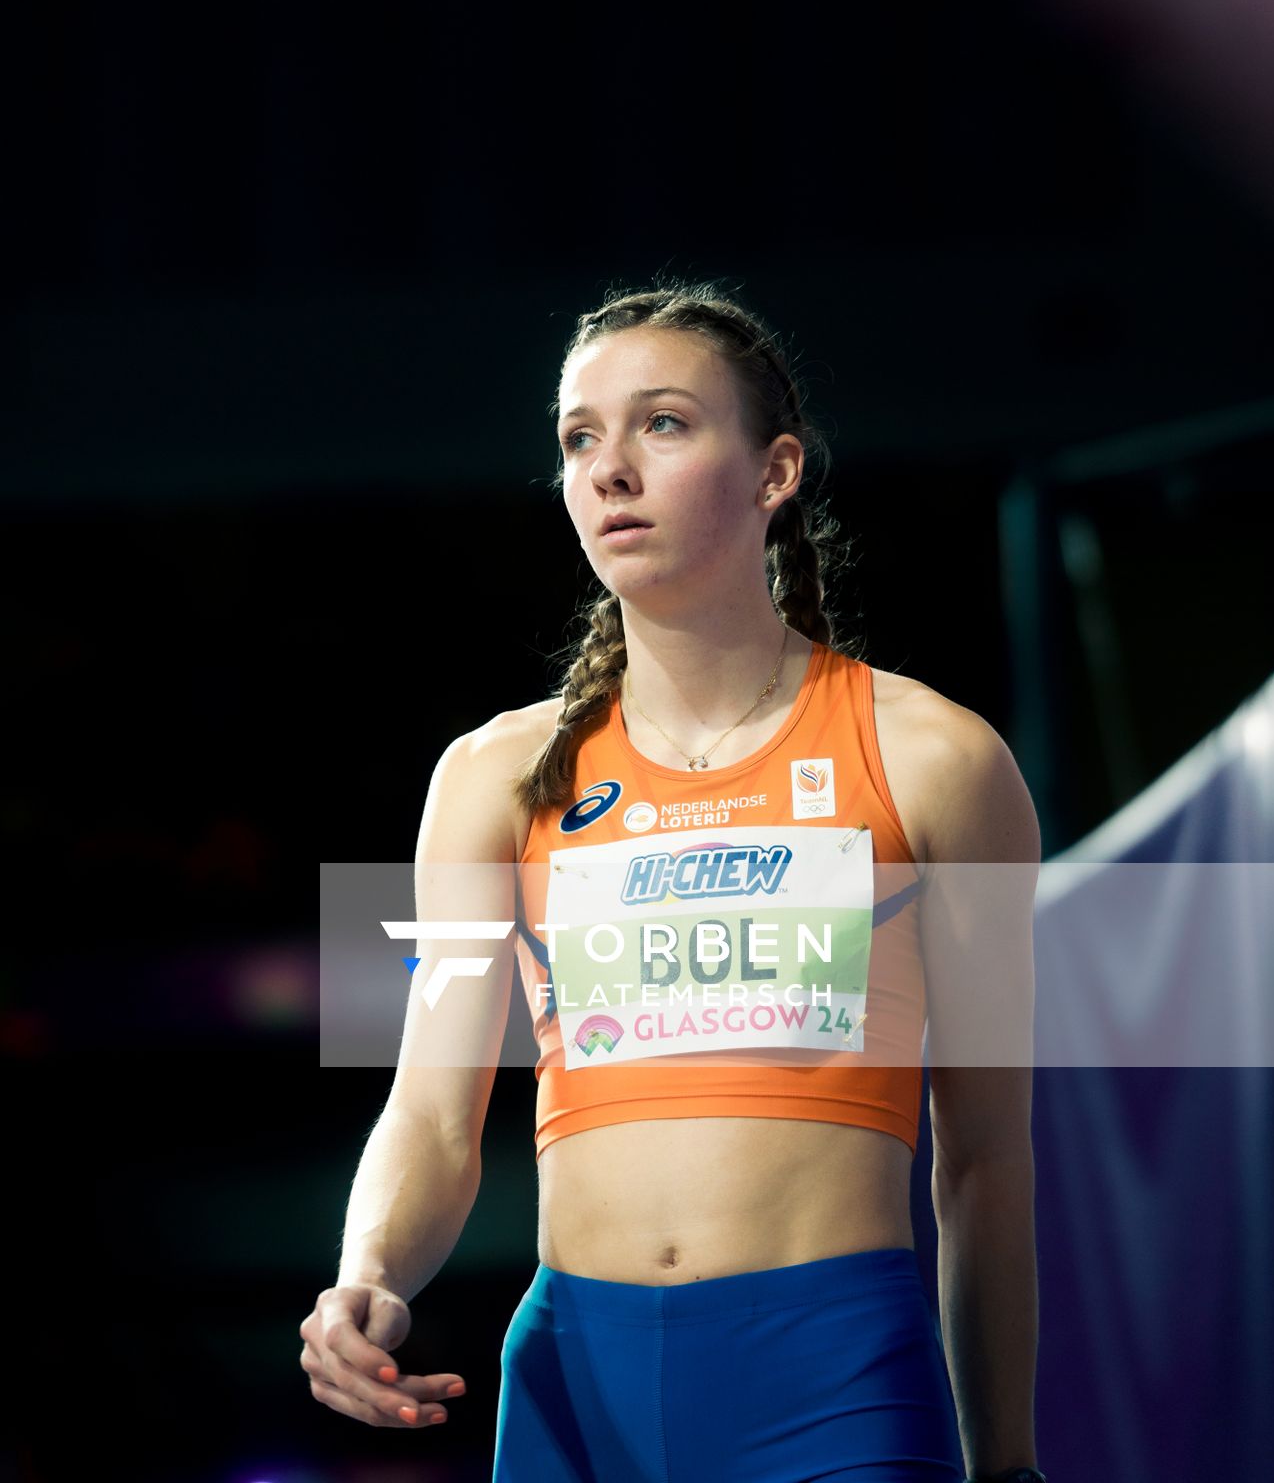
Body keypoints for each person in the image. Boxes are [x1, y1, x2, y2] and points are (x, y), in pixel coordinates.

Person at [299, 279, 1044, 1483]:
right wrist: (367, 1275)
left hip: (835, 1377)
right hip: (571, 1388)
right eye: (578, 438)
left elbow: (986, 1157)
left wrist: (1004, 1461)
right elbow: (433, 1114)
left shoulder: (934, 762)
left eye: (662, 424)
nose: (608, 469)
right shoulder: (494, 777)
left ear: (774, 471)